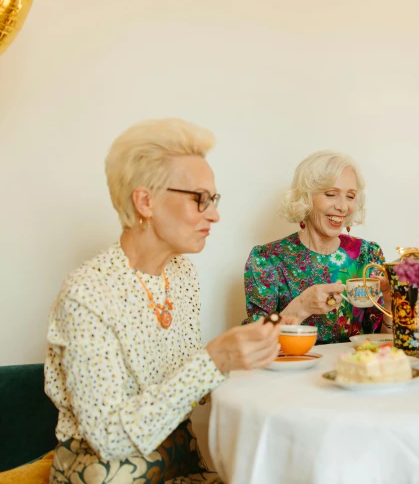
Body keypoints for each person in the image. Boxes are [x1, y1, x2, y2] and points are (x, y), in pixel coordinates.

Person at [45, 119, 281, 483]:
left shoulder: (181, 275)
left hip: (178, 465)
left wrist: (267, 334)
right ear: (145, 200)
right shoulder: (88, 292)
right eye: (199, 198)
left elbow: (189, 385)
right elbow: (109, 440)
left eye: (213, 199)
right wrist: (214, 360)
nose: (214, 214)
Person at [243, 150, 391, 343]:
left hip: (355, 368)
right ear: (306, 197)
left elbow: (384, 345)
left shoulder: (368, 255)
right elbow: (253, 343)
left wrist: (390, 304)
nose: (343, 207)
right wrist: (302, 306)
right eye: (331, 194)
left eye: (350, 196)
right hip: (293, 371)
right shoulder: (267, 259)